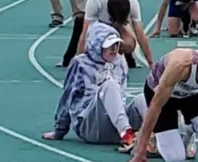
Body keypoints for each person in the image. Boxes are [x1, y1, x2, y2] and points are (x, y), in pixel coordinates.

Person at [42, 22, 143, 151]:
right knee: (110, 85)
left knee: (142, 98)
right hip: (89, 126)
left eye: (116, 44)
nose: (113, 49)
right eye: (108, 45)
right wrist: (59, 131)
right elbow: (68, 97)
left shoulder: (120, 62)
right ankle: (127, 136)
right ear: (97, 45)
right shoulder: (81, 63)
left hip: (115, 126)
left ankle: (158, 137)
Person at [63, 0, 154, 69]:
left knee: (129, 44)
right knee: (81, 23)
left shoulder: (132, 3)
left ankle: (125, 57)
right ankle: (68, 57)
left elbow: (141, 35)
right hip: (98, 23)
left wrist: (150, 62)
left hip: (120, 24)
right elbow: (84, 35)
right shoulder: (95, 1)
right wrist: (81, 61)